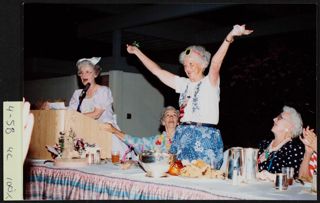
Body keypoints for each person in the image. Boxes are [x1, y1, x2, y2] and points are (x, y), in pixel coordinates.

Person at [126, 24, 253, 169]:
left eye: (192, 64)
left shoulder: (210, 82)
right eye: (185, 65)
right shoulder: (183, 84)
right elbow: (157, 71)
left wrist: (229, 37)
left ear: (203, 64)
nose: (188, 68)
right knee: (178, 175)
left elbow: (216, 62)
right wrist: (137, 52)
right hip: (182, 136)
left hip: (205, 138)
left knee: (203, 178)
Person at [68, 57, 128, 156]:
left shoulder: (103, 90)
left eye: (88, 72)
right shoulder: (77, 93)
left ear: (95, 74)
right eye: (81, 73)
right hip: (85, 130)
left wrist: (76, 117)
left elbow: (96, 114)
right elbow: (70, 113)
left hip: (104, 131)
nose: (84, 75)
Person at [257, 106, 305, 181]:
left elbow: (290, 178)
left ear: (290, 127)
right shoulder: (264, 144)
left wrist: (268, 176)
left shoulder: (294, 149)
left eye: (280, 118)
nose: (274, 119)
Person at [105, 106, 179, 155]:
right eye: (167, 115)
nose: (171, 117)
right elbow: (136, 142)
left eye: (174, 115)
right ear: (163, 122)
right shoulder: (155, 140)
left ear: (178, 122)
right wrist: (115, 131)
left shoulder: (184, 139)